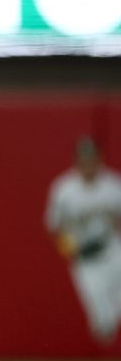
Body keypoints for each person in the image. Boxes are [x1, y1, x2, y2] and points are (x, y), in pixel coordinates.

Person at [45, 137, 121, 345]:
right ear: (76, 161)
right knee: (103, 322)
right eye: (84, 159)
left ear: (99, 159)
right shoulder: (64, 189)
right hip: (85, 257)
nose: (88, 164)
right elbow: (54, 226)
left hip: (114, 250)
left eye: (92, 159)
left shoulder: (113, 185)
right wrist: (68, 247)